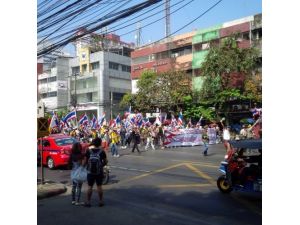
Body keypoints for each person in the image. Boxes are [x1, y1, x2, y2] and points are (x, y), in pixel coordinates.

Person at [83, 137, 107, 207]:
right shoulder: (102, 151)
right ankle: (101, 201)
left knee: (90, 187)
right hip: (99, 172)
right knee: (99, 186)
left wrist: (85, 166)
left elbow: (85, 162)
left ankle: (88, 201)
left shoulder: (88, 151)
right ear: (99, 143)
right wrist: (101, 166)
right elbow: (105, 161)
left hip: (90, 172)